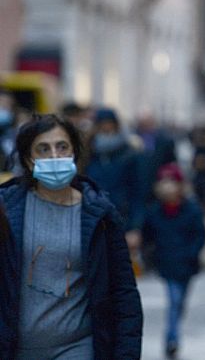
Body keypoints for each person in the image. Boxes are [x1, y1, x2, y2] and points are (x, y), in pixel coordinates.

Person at [0, 114, 143, 359]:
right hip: (14, 348)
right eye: (43, 149)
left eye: (62, 147)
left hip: (77, 347)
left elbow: (123, 291)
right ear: (28, 160)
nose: (54, 156)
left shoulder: (100, 215)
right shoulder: (6, 210)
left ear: (74, 153)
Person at [141, 162, 205, 359]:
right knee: (174, 300)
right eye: (164, 182)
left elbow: (200, 235)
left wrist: (192, 253)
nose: (167, 187)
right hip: (167, 263)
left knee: (179, 301)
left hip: (186, 264)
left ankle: (173, 331)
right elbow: (147, 236)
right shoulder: (154, 211)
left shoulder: (191, 209)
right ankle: (172, 339)